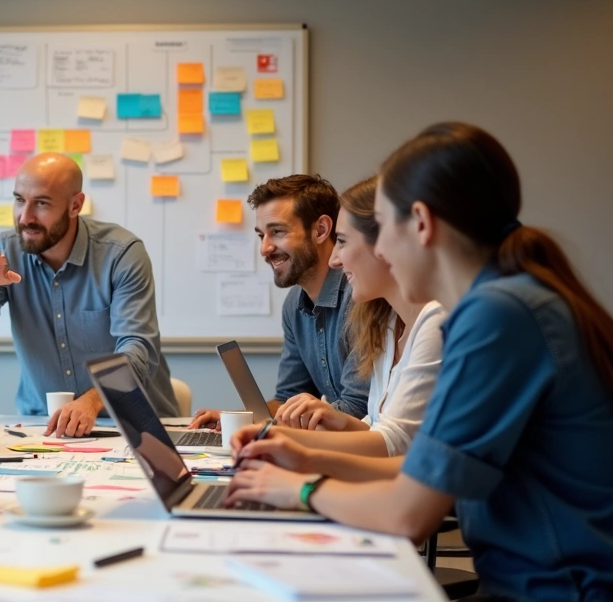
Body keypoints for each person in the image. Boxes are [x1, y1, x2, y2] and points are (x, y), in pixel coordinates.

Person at [225, 122, 613, 599]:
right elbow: (422, 472)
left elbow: (407, 515)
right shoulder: (509, 301)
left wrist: (297, 489)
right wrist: (302, 457)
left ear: (423, 224)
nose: (380, 250)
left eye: (383, 227)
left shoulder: (498, 315)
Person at [0, 152, 178, 438]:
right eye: (19, 200)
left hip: (129, 425)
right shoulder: (8, 249)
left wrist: (90, 402)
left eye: (41, 203)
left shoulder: (121, 254)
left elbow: (139, 348)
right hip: (44, 427)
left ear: (75, 205)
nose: (25, 217)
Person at [266, 176, 445, 456]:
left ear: (385, 244)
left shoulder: (436, 322)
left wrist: (277, 440)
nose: (335, 259)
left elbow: (395, 445)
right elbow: (378, 429)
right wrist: (338, 421)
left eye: (343, 242)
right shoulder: (386, 323)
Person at [190, 174, 368, 429]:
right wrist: (240, 418)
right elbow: (288, 398)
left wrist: (271, 428)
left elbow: (355, 409)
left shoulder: (359, 295)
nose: (265, 248)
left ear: (320, 230)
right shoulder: (294, 304)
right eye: (261, 235)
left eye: (277, 232)